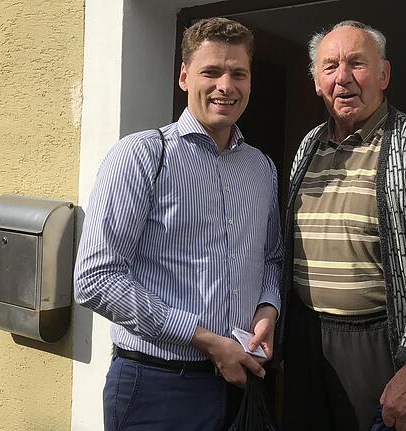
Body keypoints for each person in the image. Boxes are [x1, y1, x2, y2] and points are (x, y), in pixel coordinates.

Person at [73, 17, 282, 431]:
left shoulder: (261, 168)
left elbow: (272, 257)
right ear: (184, 76)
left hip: (237, 385)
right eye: (211, 71)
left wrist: (267, 311)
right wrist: (203, 339)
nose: (226, 85)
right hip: (158, 386)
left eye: (238, 73)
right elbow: (95, 278)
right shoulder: (143, 155)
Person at [275, 20, 406, 431]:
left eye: (357, 63)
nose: (343, 78)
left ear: (383, 74)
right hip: (308, 342)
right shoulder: (310, 145)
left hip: (381, 345)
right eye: (330, 67)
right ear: (316, 82)